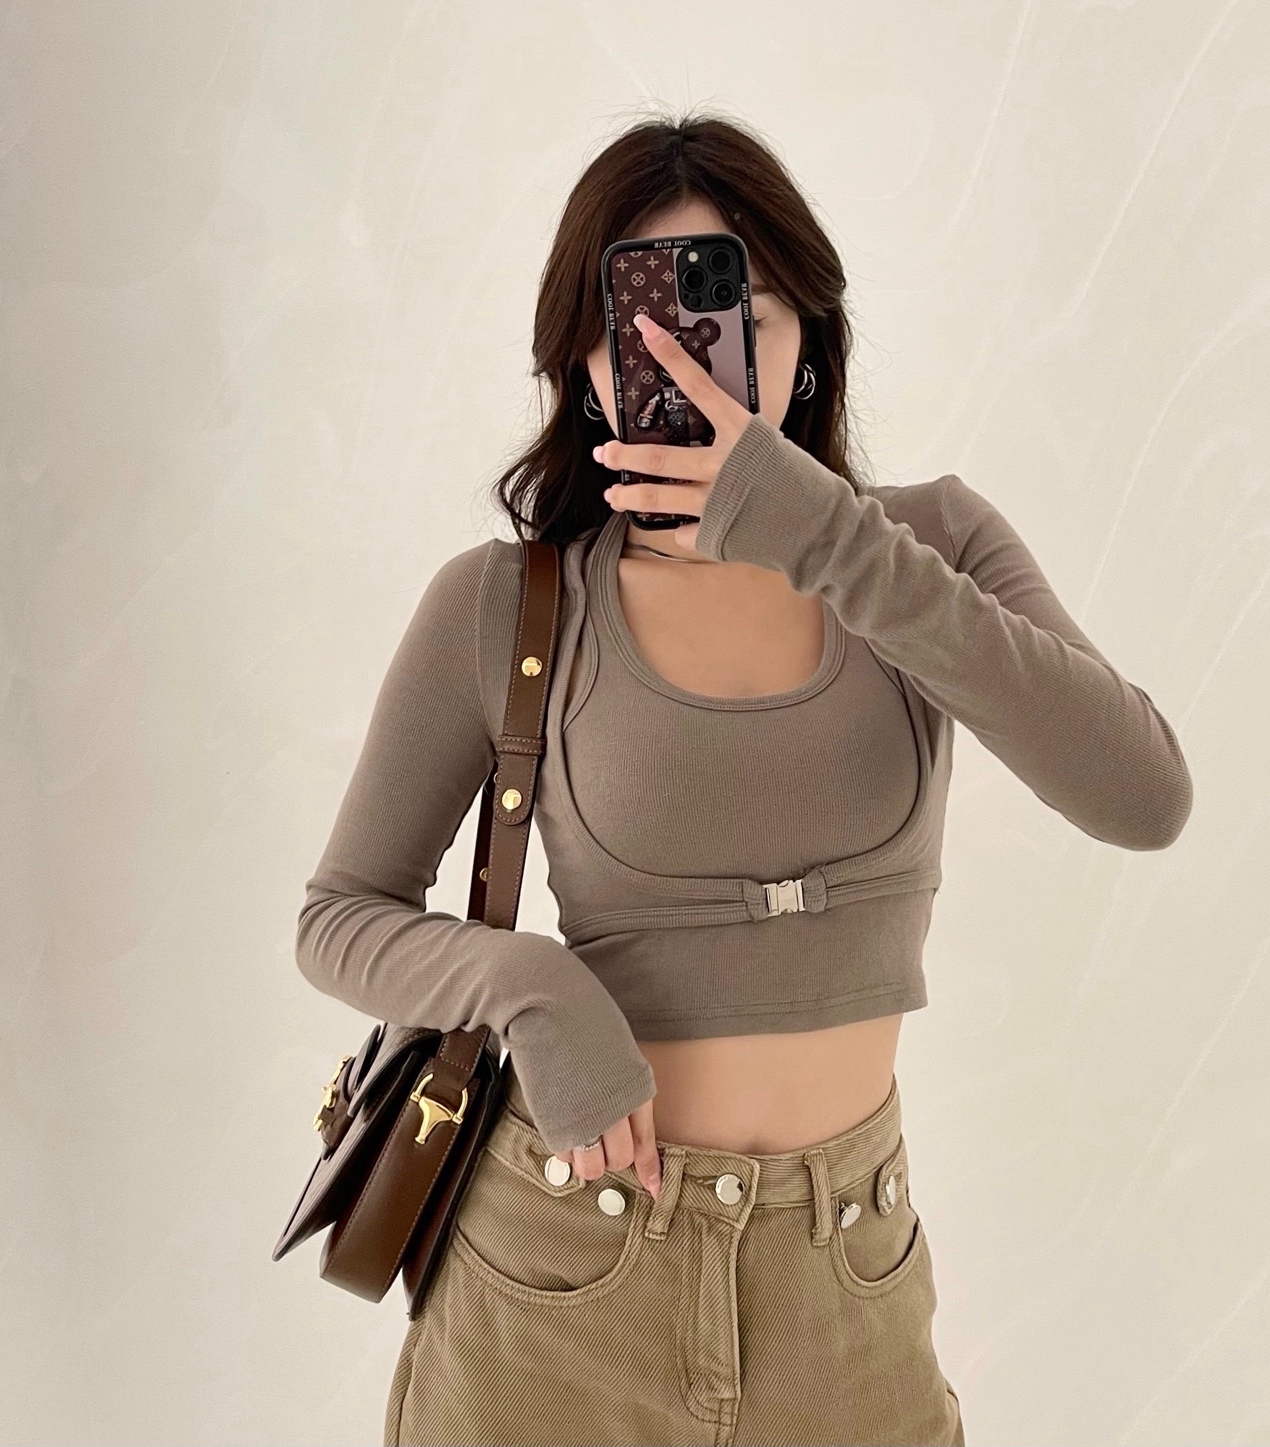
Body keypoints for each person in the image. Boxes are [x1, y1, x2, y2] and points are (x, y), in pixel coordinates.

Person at [295, 113, 1194, 1447]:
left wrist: (818, 531)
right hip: (558, 1280)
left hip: (848, 1291)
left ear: (807, 341)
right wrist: (535, 990)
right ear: (584, 365)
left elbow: (1143, 798)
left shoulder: (928, 548)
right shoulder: (509, 604)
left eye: (734, 314)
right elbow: (339, 914)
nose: (683, 362)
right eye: (636, 324)